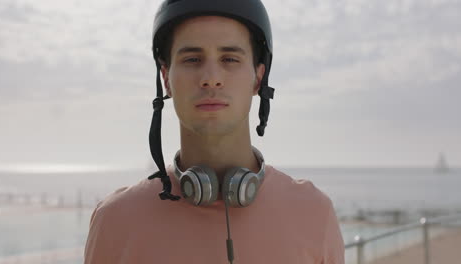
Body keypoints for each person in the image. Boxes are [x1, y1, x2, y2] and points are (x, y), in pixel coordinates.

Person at [84, 0, 345, 263]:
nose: (210, 77)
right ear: (166, 79)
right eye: (192, 59)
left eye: (229, 58)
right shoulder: (115, 221)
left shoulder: (314, 213)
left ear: (258, 78)